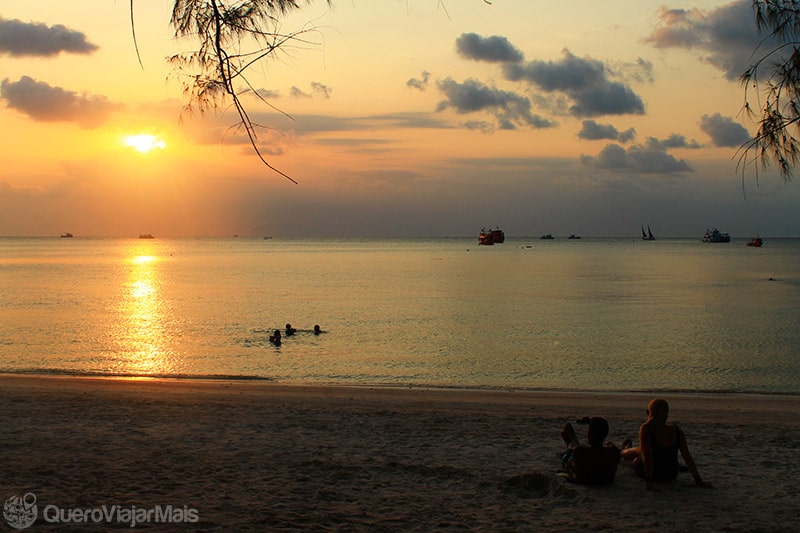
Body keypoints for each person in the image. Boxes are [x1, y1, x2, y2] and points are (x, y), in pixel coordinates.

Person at [621, 398, 713, 490]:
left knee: (636, 458)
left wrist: (649, 481)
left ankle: (623, 452)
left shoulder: (646, 429)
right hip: (671, 473)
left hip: (654, 474)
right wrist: (698, 480)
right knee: (640, 451)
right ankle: (626, 449)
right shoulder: (676, 429)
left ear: (649, 412)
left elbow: (647, 457)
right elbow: (687, 456)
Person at [559, 417, 620, 485]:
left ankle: (569, 439)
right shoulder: (614, 452)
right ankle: (570, 438)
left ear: (589, 434)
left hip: (577, 459)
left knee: (571, 449)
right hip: (602, 480)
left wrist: (569, 468)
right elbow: (610, 478)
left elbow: (579, 477)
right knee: (573, 447)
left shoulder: (579, 451)